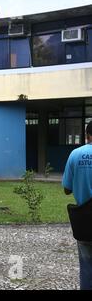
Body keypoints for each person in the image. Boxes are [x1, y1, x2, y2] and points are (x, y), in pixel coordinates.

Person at [62, 121, 92, 290]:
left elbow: (67, 189)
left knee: (87, 268)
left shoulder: (75, 154)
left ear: (87, 135)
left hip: (85, 222)